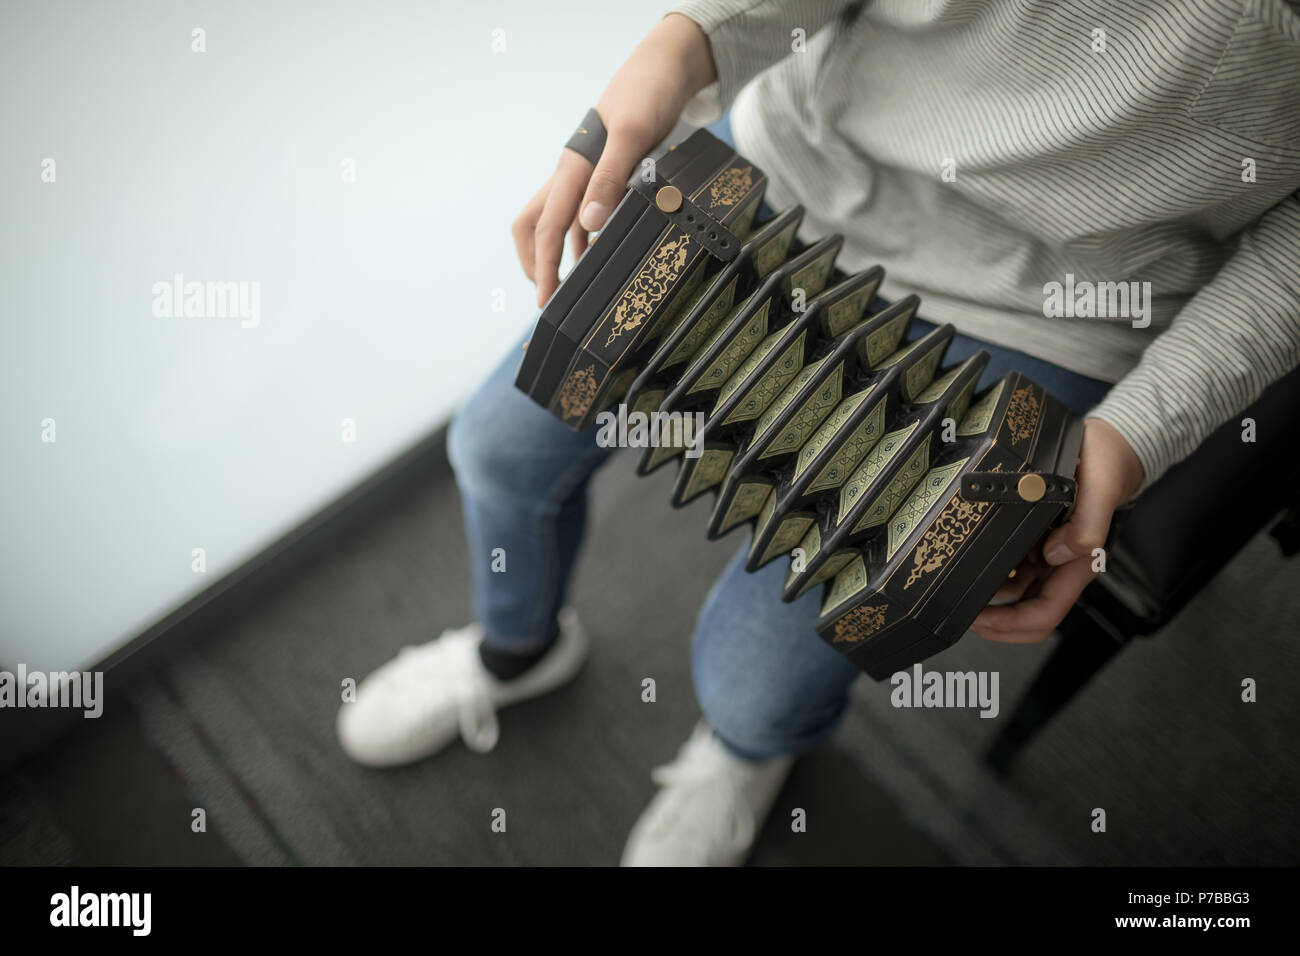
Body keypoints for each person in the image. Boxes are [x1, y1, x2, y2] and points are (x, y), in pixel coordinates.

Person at [337, 1, 1300, 865]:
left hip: (1063, 304)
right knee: (501, 445)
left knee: (754, 681)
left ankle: (747, 753)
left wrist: (1133, 434)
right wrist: (687, 41)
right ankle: (516, 649)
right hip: (803, 157)